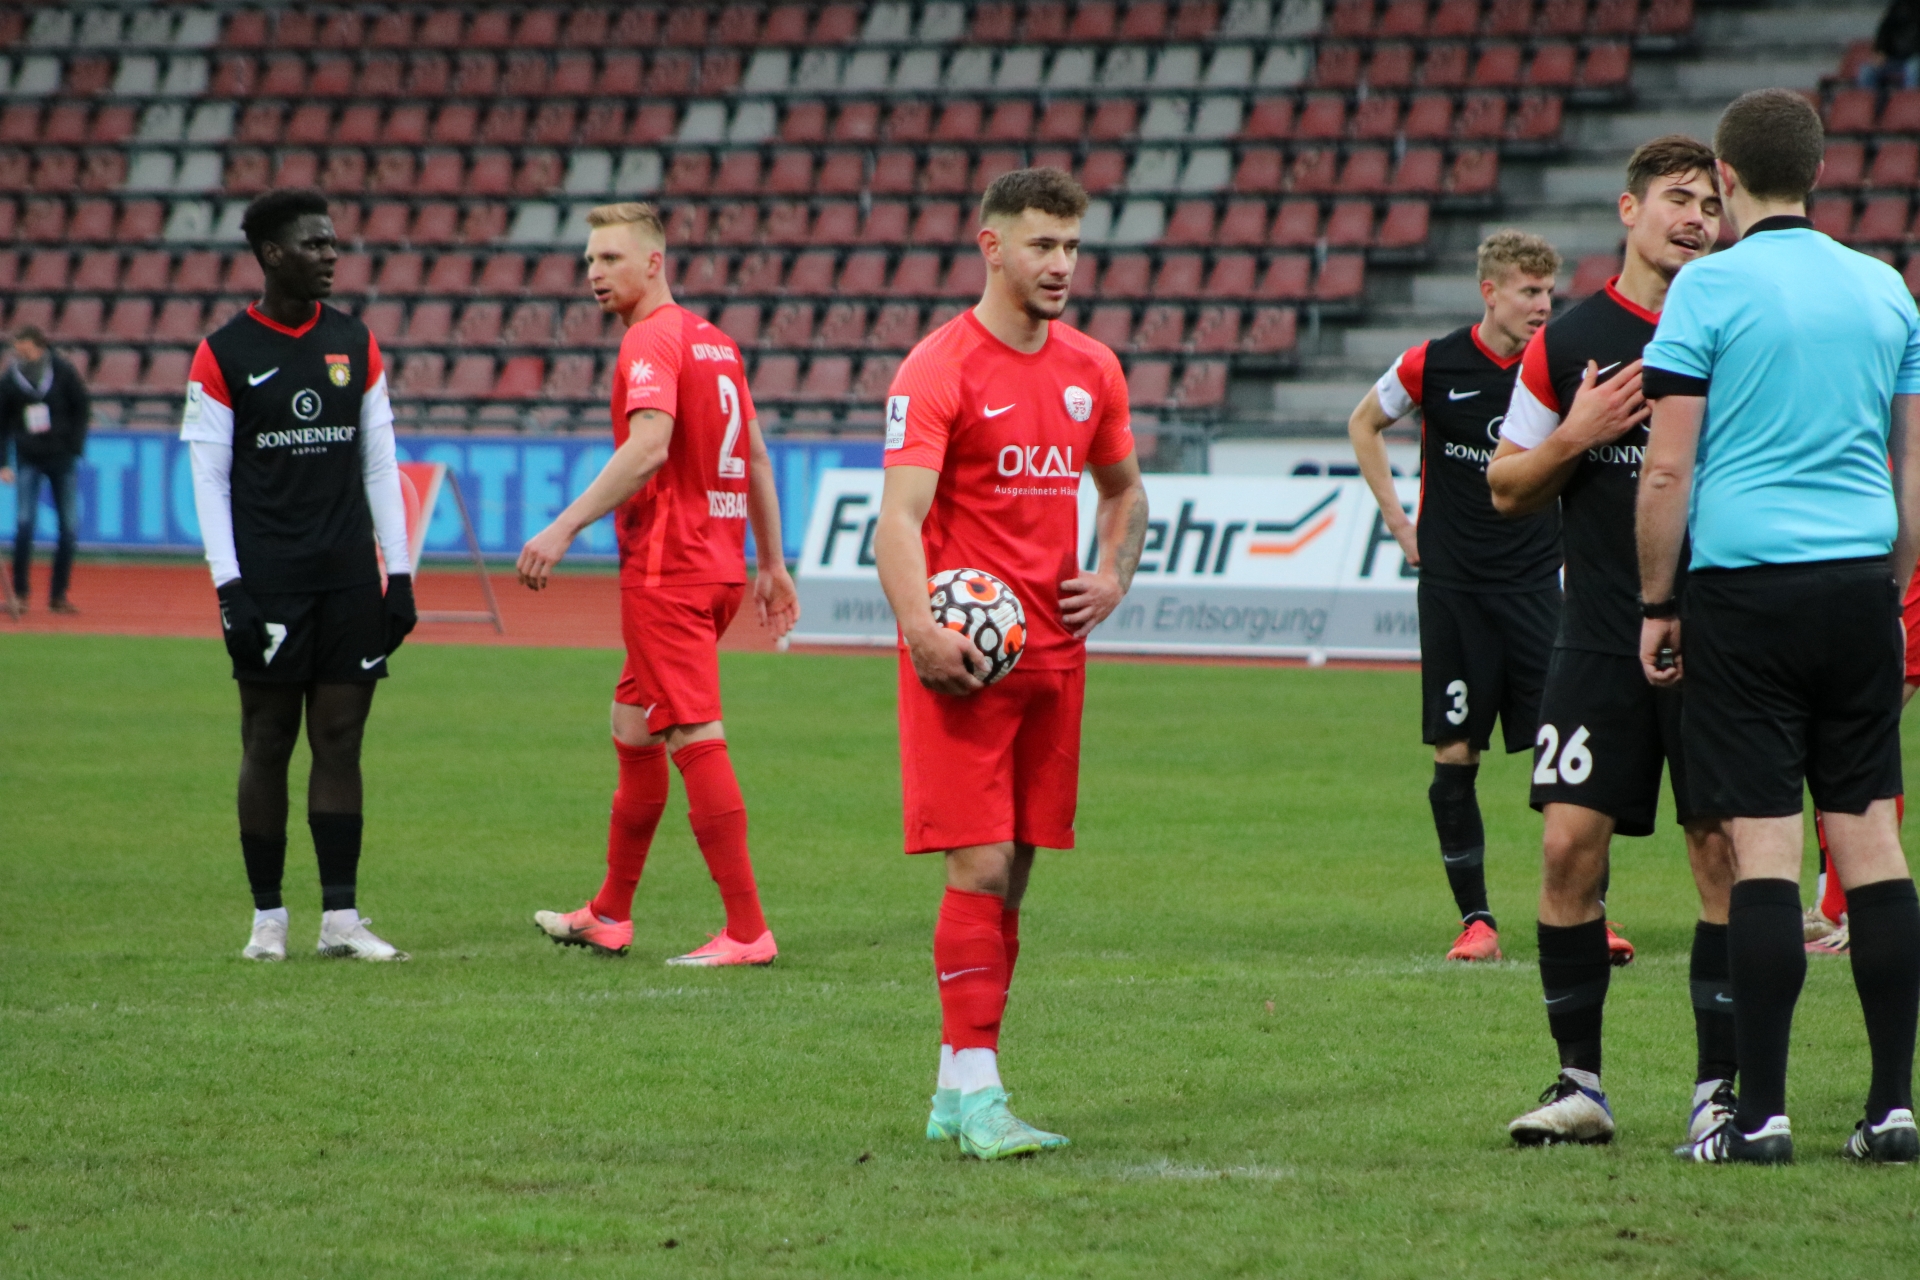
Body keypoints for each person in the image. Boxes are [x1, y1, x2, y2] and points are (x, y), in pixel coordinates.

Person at [1638, 89, 1920, 1166]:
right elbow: (1913, 466)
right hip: (1859, 587)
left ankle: (1760, 1116)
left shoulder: (1707, 287)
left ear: (1725, 174)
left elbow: (1669, 468)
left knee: (1764, 847)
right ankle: (1891, 1109)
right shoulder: (1884, 287)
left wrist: (1657, 603)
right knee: (1873, 840)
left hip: (1746, 591)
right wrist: (1891, 588)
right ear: (1817, 169)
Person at [874, 167, 1149, 1161]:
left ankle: (958, 1088)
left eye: (1072, 246)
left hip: (1054, 658)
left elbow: (1125, 491)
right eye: (1043, 245)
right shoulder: (937, 367)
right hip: (962, 661)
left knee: (1016, 873)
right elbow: (897, 519)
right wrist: (920, 630)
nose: (1062, 264)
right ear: (992, 247)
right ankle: (985, 1090)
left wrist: (1113, 576)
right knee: (980, 863)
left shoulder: (1092, 367)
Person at [1485, 136, 1738, 1148]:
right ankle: (1580, 1084)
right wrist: (1575, 434)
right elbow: (1505, 486)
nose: (1695, 218)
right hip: (1594, 639)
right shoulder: (1571, 340)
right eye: (1677, 198)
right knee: (1565, 852)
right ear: (1629, 211)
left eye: (1709, 204)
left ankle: (1719, 1091)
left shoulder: (1740, 325)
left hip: (1718, 640)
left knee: (1722, 855)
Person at [522, 202, 799, 967]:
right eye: (589, 260)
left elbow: (648, 448)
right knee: (633, 725)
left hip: (669, 570)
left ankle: (747, 930)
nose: (594, 273)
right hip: (718, 566)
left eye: (610, 258)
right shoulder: (717, 342)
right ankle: (610, 913)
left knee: (691, 733)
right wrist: (771, 564)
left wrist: (562, 527)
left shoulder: (650, 338)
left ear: (654, 262)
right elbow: (759, 459)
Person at [179, 188, 417, 962]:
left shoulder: (355, 341)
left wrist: (399, 575)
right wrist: (229, 588)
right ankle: (268, 919)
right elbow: (208, 480)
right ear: (272, 254)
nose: (330, 255)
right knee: (268, 739)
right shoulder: (223, 353)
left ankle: (341, 919)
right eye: (314, 244)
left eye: (332, 242)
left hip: (347, 579)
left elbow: (380, 463)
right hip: (270, 581)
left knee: (340, 741)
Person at [1348, 230, 1563, 964]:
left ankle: (1585, 915)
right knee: (1455, 751)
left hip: (1536, 585)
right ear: (1490, 293)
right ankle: (1478, 923)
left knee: (1566, 754)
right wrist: (1398, 522)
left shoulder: (1560, 366)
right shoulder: (1432, 363)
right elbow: (1364, 423)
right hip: (1455, 590)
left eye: (1548, 292)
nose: (1543, 305)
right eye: (1529, 292)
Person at [1, 325, 90, 613]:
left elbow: (81, 406)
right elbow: (1, 422)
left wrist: (74, 446)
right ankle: (21, 593)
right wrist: (3, 461)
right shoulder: (11, 378)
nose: (18, 350)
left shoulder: (62, 372)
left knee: (68, 527)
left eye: (22, 344)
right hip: (28, 457)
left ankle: (58, 594)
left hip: (61, 458)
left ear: (36, 344)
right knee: (24, 524)